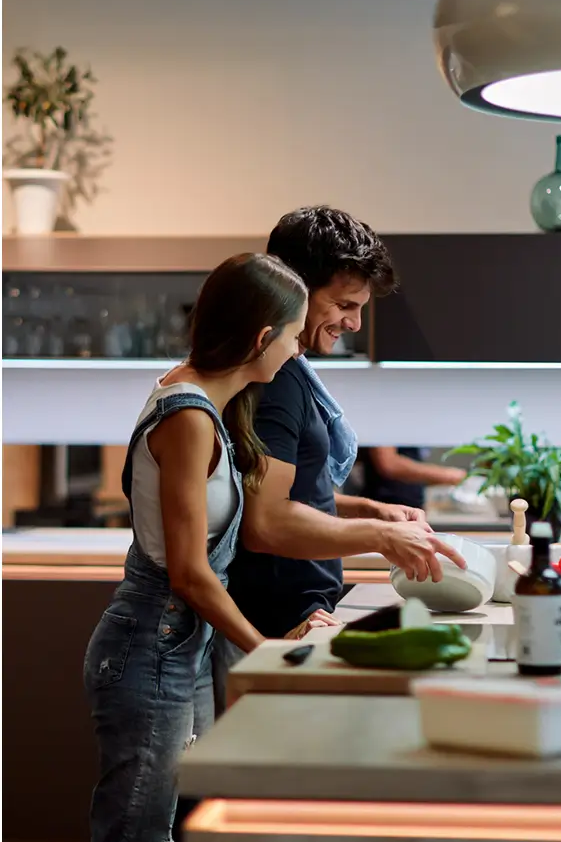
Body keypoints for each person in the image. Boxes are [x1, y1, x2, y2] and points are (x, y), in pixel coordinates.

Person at [83, 252, 308, 842]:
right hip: (152, 647)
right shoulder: (188, 417)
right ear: (262, 338)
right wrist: (263, 650)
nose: (297, 351)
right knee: (139, 829)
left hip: (180, 645)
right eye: (293, 336)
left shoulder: (200, 399)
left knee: (183, 822)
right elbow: (188, 572)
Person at [223, 206, 466, 649]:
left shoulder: (287, 373)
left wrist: (371, 511)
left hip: (299, 618)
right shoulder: (275, 382)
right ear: (294, 287)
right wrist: (381, 536)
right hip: (277, 626)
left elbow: (291, 494)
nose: (353, 323)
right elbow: (265, 520)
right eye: (343, 305)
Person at [358, 446, 466, 512]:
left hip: (410, 508)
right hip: (387, 506)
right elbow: (388, 463)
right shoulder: (386, 418)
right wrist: (447, 475)